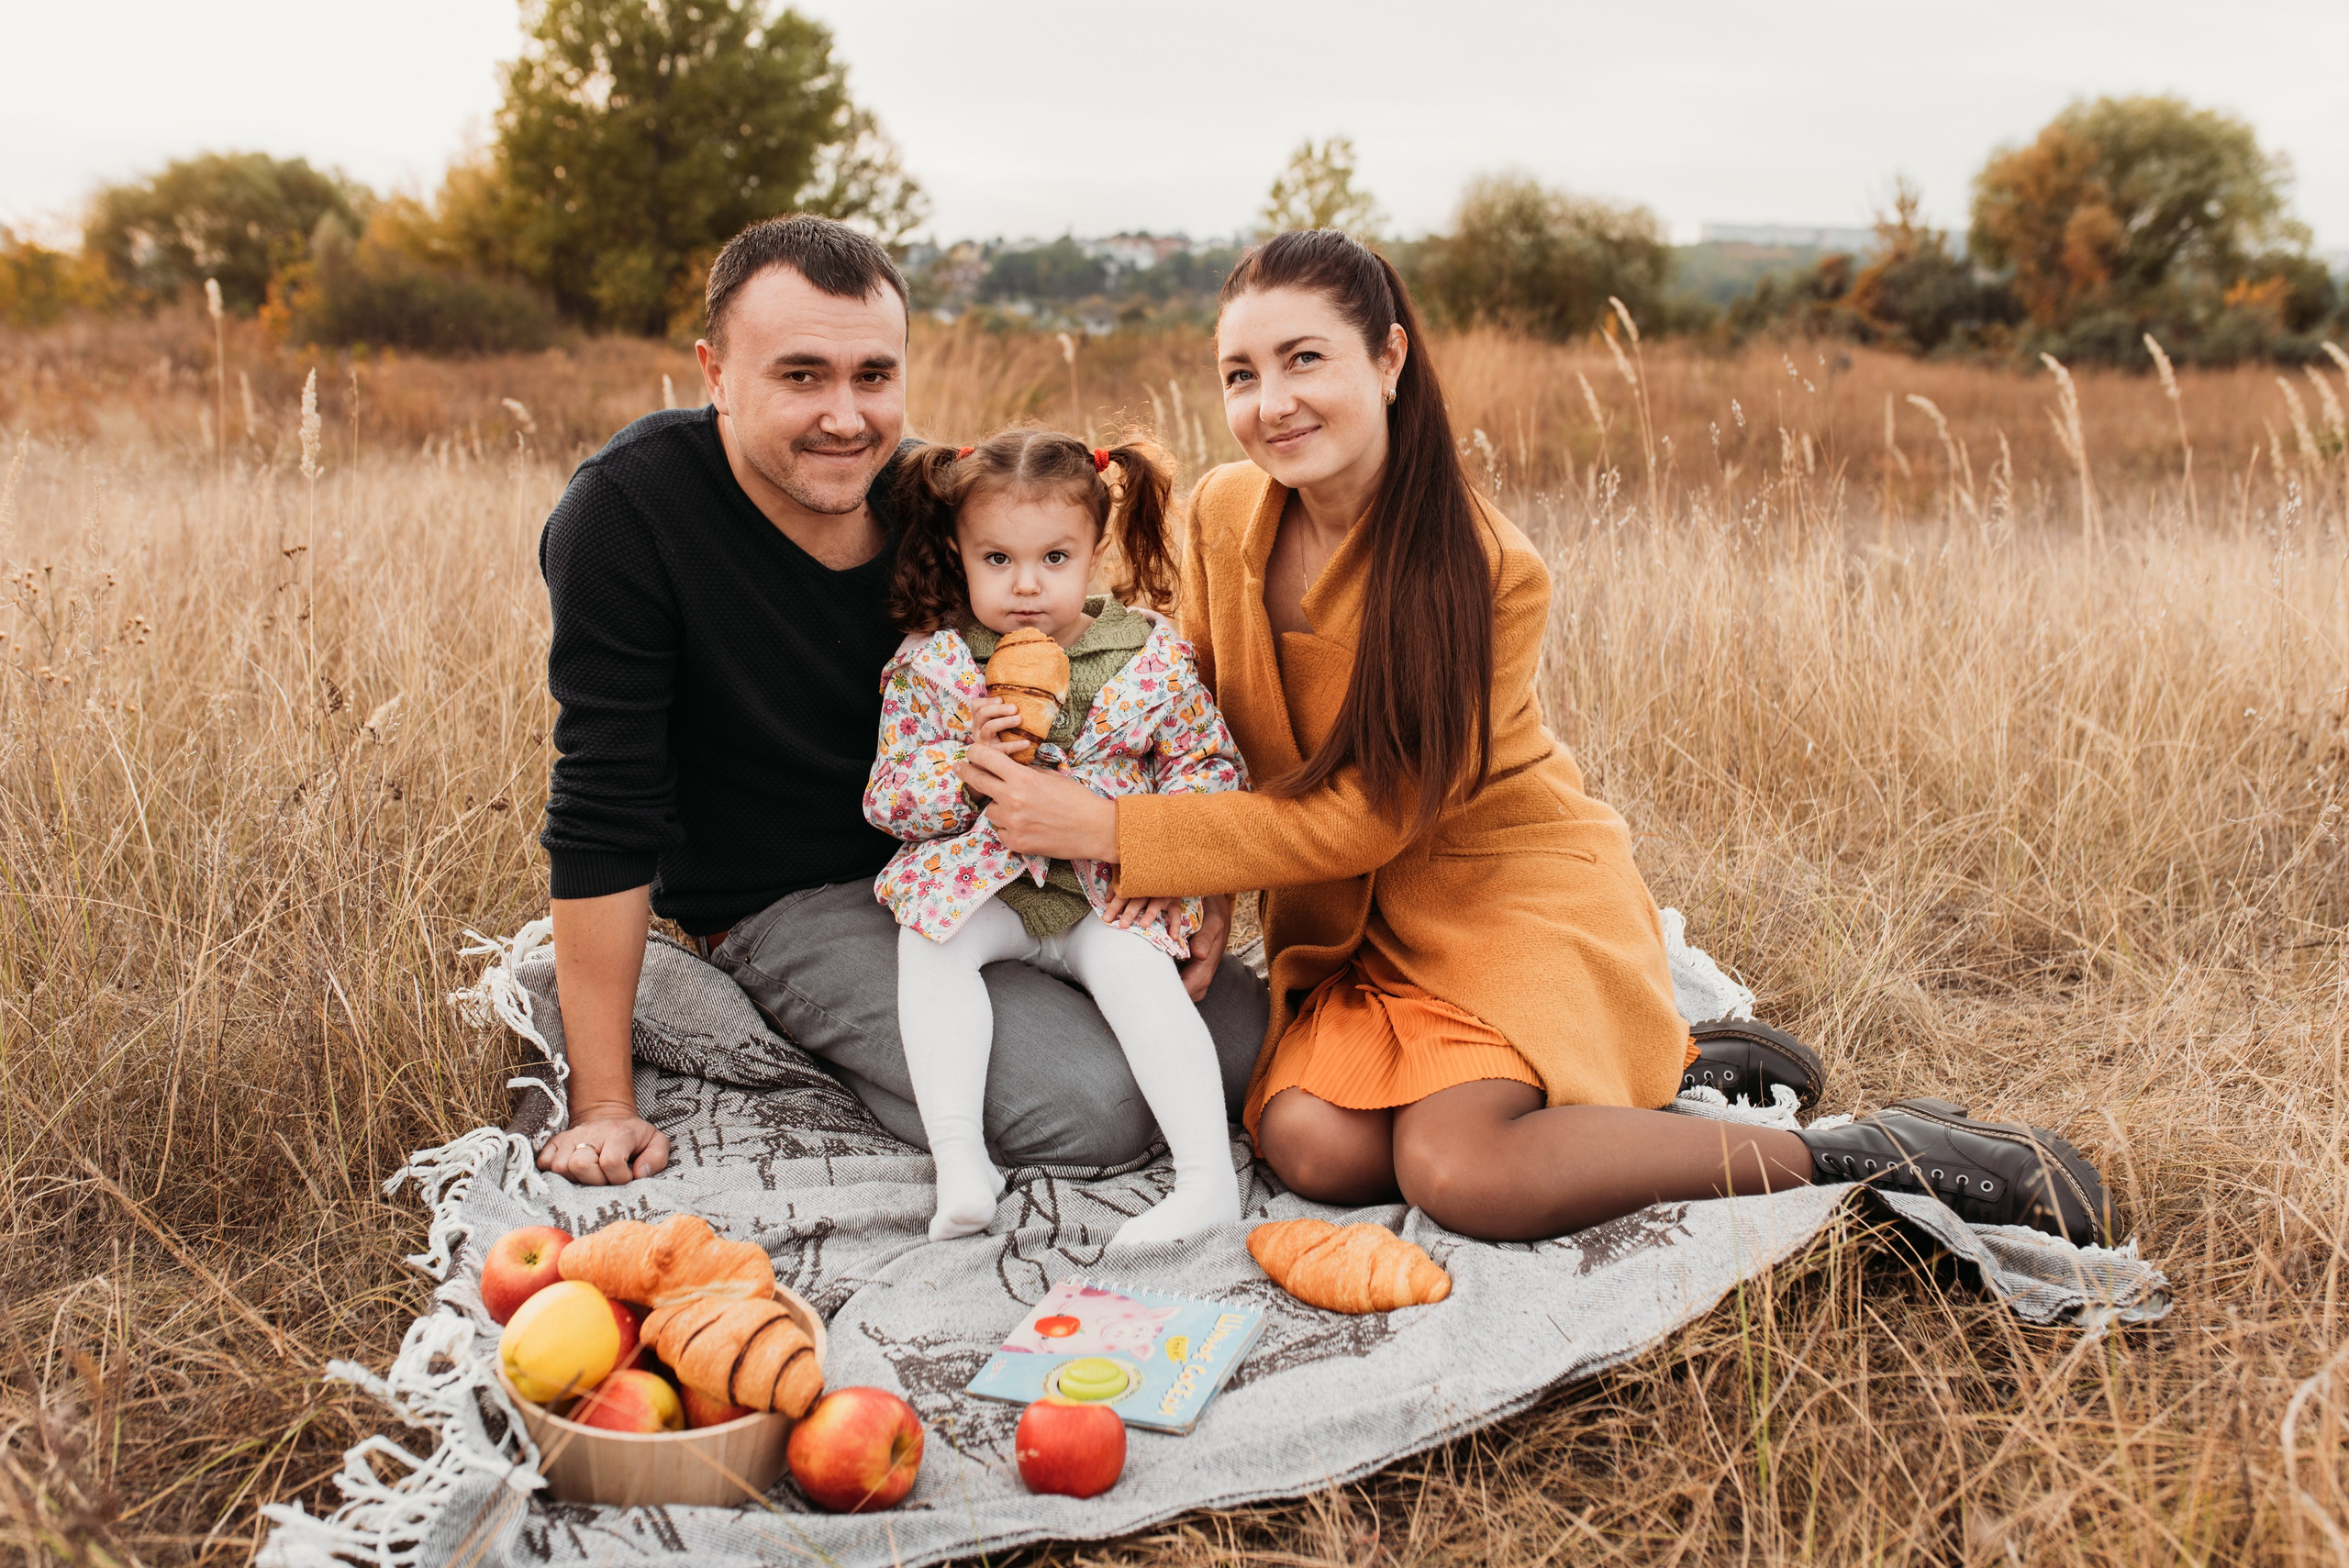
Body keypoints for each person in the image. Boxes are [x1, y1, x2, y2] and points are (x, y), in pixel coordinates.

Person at [959, 230, 2114, 1246]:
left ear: (1390, 359)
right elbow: (1201, 715)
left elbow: (1374, 814)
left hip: (1498, 892)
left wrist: (1115, 830)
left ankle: (1864, 1150)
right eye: (1241, 373)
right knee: (1312, 1149)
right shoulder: (1223, 510)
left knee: (1459, 1168)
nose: (1273, 402)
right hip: (1345, 921)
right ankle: (1670, 1064)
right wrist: (1198, 886)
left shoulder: (1481, 565)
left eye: (1306, 358)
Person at [531, 216, 1268, 1187]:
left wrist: (1184, 866)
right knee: (1091, 1109)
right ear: (714, 371)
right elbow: (602, 806)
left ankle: (1001, 1028)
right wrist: (604, 1104)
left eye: (872, 376)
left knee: (1249, 1044)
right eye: (801, 375)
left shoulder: (932, 498)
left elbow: (1104, 657)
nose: (846, 416)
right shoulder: (629, 514)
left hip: (991, 857)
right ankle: (804, 1046)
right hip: (786, 896)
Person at [867, 430, 1246, 1247]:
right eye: (997, 560)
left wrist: (1162, 847)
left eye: (1053, 558)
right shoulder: (933, 667)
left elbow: (1210, 766)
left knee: (1141, 974)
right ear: (960, 554)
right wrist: (962, 767)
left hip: (1105, 891)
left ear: (1096, 552)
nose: (1027, 586)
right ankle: (961, 1161)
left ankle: (1208, 1180)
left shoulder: (1150, 658)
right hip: (988, 884)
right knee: (927, 944)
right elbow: (887, 797)